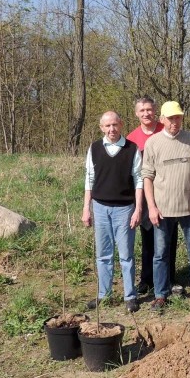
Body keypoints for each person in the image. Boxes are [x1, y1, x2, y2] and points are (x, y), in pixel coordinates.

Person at [142, 101, 190, 311]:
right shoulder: (153, 143)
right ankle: (161, 294)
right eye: (171, 118)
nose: (175, 122)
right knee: (160, 254)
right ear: (162, 119)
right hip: (162, 210)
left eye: (178, 118)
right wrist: (151, 207)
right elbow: (147, 177)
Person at [81, 110, 143, 313]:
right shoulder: (95, 148)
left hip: (125, 208)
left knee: (126, 255)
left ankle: (130, 296)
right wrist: (86, 209)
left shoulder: (132, 149)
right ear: (101, 128)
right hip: (100, 208)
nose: (111, 129)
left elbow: (139, 180)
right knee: (103, 254)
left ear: (121, 125)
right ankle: (104, 295)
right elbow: (89, 179)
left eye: (115, 125)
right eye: (107, 126)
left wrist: (138, 209)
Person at [127, 96, 180, 296]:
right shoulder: (131, 139)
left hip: (168, 193)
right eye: (142, 111)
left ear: (155, 111)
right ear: (136, 114)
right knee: (148, 238)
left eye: (149, 110)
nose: (146, 114)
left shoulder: (166, 129)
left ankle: (170, 278)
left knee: (169, 239)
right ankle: (147, 279)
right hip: (145, 194)